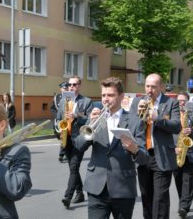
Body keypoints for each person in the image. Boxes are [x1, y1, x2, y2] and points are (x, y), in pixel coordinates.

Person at [74, 77, 148, 218]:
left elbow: (144, 158)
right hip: (97, 188)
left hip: (123, 188)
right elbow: (79, 146)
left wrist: (135, 149)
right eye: (103, 95)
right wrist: (90, 123)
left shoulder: (135, 121)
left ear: (121, 97)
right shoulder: (95, 118)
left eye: (110, 95)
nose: (106, 99)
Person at [129, 73, 181, 219]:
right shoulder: (137, 102)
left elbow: (177, 126)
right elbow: (131, 127)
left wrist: (157, 118)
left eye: (153, 86)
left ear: (161, 87)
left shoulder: (171, 103)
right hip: (143, 154)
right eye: (147, 86)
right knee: (146, 196)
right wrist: (138, 115)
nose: (149, 90)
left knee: (160, 198)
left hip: (163, 156)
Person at [57, 76, 93, 209]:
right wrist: (59, 128)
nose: (71, 87)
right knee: (73, 169)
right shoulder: (63, 101)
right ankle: (80, 193)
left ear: (80, 86)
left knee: (74, 167)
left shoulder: (86, 101)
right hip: (66, 138)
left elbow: (90, 120)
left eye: (74, 84)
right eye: (70, 84)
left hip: (79, 139)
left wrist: (76, 116)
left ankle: (68, 196)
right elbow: (58, 117)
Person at [50, 81, 69, 162]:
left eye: (66, 88)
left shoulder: (71, 96)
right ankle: (64, 153)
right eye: (63, 88)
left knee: (66, 137)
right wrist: (57, 115)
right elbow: (52, 108)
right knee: (62, 136)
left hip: (69, 119)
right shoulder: (56, 97)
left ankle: (62, 154)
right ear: (60, 89)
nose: (65, 89)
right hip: (60, 120)